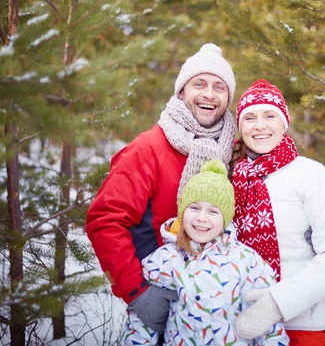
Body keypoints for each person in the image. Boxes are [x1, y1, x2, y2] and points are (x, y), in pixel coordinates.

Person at [85, 43, 237, 333]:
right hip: (160, 297)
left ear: (227, 98)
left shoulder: (234, 151)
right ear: (181, 92)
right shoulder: (148, 148)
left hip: (218, 308)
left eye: (220, 87)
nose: (209, 93)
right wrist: (138, 293)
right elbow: (105, 221)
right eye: (199, 84)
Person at [230, 79, 325, 346]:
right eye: (250, 118)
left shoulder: (311, 175)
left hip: (302, 328)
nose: (260, 125)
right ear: (240, 127)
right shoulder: (229, 178)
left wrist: (277, 304)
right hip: (235, 326)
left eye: (269, 116)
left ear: (284, 123)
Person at [124, 159, 289, 346]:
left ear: (226, 218)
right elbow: (142, 326)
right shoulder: (164, 260)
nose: (201, 218)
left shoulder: (247, 262)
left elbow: (267, 325)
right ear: (182, 211)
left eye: (213, 211)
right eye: (194, 207)